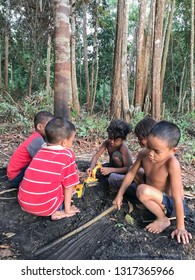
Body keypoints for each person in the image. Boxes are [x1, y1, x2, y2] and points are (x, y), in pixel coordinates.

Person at [113, 121, 192, 244]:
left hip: (169, 205)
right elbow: (131, 174)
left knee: (142, 190)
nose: (150, 153)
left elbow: (177, 197)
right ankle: (148, 204)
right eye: (149, 146)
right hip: (154, 195)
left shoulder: (172, 163)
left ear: (173, 151)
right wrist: (120, 195)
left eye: (157, 151)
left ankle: (162, 219)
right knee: (135, 171)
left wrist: (180, 227)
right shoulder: (143, 154)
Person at [18, 117, 80, 220]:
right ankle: (58, 212)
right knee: (69, 185)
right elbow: (69, 185)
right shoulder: (67, 154)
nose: (72, 144)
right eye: (72, 141)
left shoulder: (40, 151)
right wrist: (67, 210)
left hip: (23, 202)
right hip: (45, 207)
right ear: (64, 142)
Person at [108, 116, 157, 194]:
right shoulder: (143, 154)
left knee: (113, 179)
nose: (139, 141)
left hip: (153, 192)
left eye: (141, 138)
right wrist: (120, 195)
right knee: (113, 178)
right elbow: (132, 172)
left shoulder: (162, 155)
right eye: (138, 138)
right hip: (143, 185)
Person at [7, 111, 54, 187]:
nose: (52, 129)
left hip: (16, 174)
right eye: (50, 126)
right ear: (39, 127)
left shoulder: (37, 137)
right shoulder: (37, 140)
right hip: (16, 177)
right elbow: (46, 161)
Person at [87, 119, 133, 185]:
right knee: (97, 172)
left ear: (122, 140)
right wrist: (91, 167)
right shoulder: (107, 143)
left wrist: (110, 170)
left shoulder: (123, 148)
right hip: (112, 166)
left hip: (122, 171)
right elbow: (96, 156)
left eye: (116, 140)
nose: (112, 142)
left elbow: (128, 168)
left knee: (115, 156)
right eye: (110, 138)